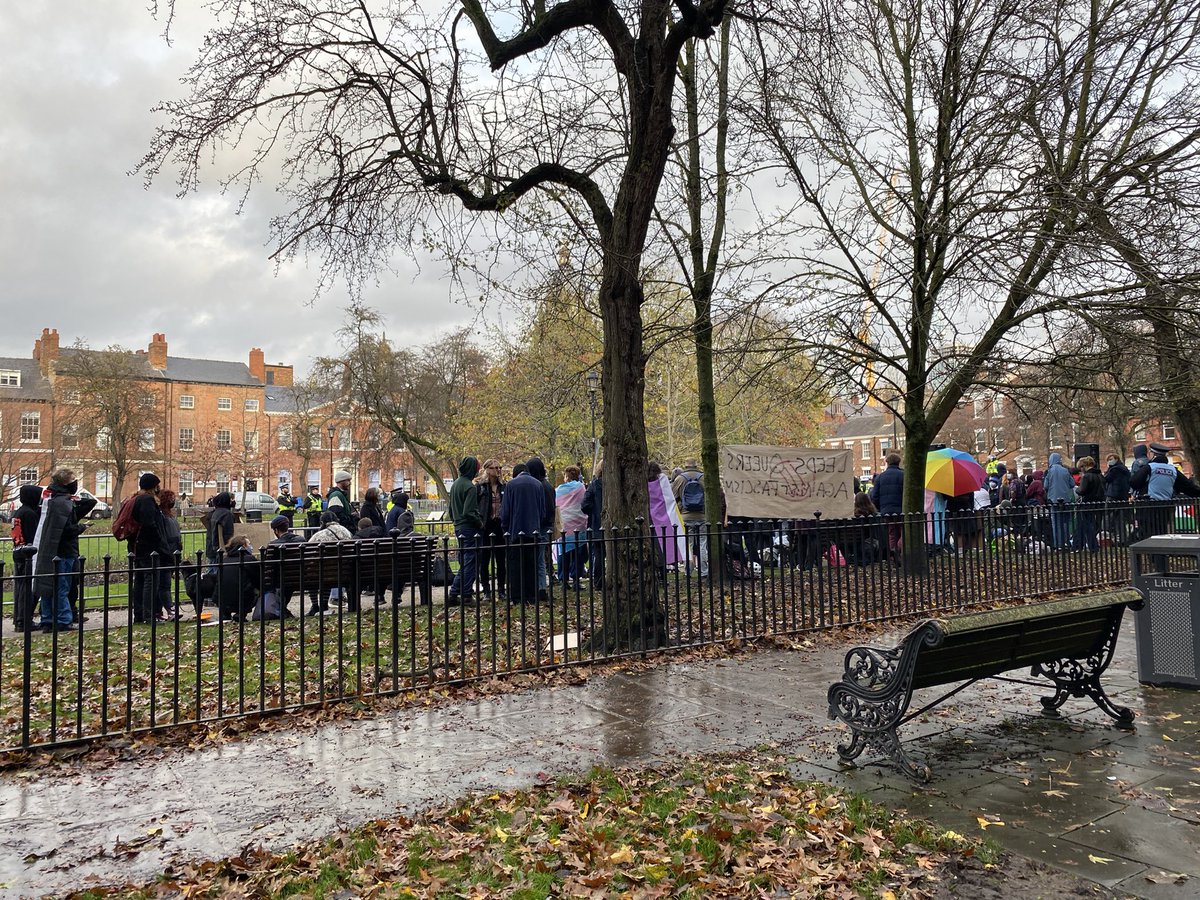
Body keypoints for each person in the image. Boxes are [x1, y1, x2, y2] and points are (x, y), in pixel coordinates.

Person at [32, 468, 95, 632]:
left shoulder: (50, 499)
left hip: (47, 550)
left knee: (47, 585)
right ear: (67, 483)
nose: (76, 483)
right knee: (61, 586)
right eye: (73, 480)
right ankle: (63, 619)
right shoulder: (63, 503)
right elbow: (66, 530)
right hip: (65, 551)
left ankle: (47, 619)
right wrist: (82, 527)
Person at [1131, 442, 1200, 543]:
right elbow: (1189, 488)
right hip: (1165, 508)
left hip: (1147, 507)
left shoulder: (1149, 467)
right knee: (1161, 536)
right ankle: (1161, 557)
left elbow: (1134, 482)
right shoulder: (1173, 470)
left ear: (1153, 454)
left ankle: (1149, 557)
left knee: (1148, 538)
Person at [500, 460, 548, 604]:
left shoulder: (511, 485)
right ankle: (532, 595)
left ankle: (517, 596)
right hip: (533, 531)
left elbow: (506, 511)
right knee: (531, 564)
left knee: (516, 566)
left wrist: (505, 527)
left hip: (516, 531)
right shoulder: (538, 484)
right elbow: (542, 511)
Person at [130, 473, 168, 624]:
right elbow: (149, 524)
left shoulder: (136, 498)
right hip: (148, 548)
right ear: (153, 486)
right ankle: (148, 615)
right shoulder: (147, 500)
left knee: (140, 581)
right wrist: (158, 540)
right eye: (157, 484)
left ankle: (139, 614)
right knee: (149, 582)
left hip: (138, 546)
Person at [257, 514, 304, 619]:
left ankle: (280, 608)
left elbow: (268, 566)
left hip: (280, 580)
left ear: (276, 531)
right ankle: (283, 608)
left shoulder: (274, 545)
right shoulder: (301, 540)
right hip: (301, 577)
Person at [306, 511, 352, 614]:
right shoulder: (346, 532)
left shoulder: (319, 535)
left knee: (312, 574)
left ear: (322, 522)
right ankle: (323, 604)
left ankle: (315, 605)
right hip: (345, 572)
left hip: (324, 573)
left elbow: (308, 551)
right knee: (327, 573)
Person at [11, 484, 43, 632]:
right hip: (27, 554)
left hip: (18, 551)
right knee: (27, 589)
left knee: (20, 588)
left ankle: (19, 618)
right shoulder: (29, 514)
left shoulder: (19, 512)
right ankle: (24, 620)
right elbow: (33, 535)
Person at [525, 458, 556, 602]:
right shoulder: (548, 486)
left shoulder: (538, 486)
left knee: (538, 560)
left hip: (540, 526)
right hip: (547, 526)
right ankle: (541, 587)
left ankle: (540, 588)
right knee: (541, 559)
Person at [671, 459, 708, 579]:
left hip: (685, 517)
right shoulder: (704, 477)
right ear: (696, 465)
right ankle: (704, 571)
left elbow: (673, 497)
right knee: (703, 544)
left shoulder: (680, 479)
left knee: (688, 544)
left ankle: (688, 571)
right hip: (702, 516)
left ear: (685, 466)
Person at [475, 460, 506, 599]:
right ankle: (486, 590)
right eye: (495, 468)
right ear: (487, 470)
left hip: (499, 525)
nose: (498, 470)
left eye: (499, 467)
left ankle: (501, 589)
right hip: (485, 525)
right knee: (484, 559)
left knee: (501, 559)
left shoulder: (503, 486)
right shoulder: (480, 487)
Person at [555, 465, 588, 589]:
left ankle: (563, 580)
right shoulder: (580, 487)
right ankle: (575, 580)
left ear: (566, 476)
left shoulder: (558, 490)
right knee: (577, 553)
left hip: (564, 524)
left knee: (563, 552)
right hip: (578, 523)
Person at [868, 452, 904, 555]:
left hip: (886, 510)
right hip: (901, 509)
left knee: (892, 532)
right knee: (904, 532)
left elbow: (875, 496)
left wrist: (880, 508)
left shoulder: (880, 477)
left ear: (887, 462)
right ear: (898, 462)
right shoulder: (903, 475)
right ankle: (899, 550)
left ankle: (893, 553)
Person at [215, 535, 258, 621]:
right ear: (243, 547)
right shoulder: (249, 559)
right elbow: (257, 579)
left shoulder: (225, 560)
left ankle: (225, 613)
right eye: (249, 544)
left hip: (221, 599)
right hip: (242, 598)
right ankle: (241, 612)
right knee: (257, 590)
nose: (251, 547)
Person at [157, 490, 184, 619]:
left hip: (173, 553)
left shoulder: (170, 515)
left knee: (164, 583)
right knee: (164, 584)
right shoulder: (161, 515)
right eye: (172, 498)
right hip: (166, 553)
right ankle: (169, 609)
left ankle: (160, 610)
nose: (174, 501)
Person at [1043, 453, 1076, 549]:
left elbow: (1045, 486)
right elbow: (1072, 484)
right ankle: (1066, 542)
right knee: (1065, 522)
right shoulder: (1065, 470)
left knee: (1055, 522)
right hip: (1066, 500)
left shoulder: (1049, 471)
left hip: (1054, 500)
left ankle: (1058, 544)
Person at [580, 461, 604, 587]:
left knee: (599, 554)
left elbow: (584, 505)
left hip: (597, 525)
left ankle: (598, 582)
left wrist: (593, 512)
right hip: (611, 525)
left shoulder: (595, 484)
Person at [1073, 457, 1104, 552]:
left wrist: (1077, 489)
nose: (1080, 470)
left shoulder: (1086, 477)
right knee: (1091, 525)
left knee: (1086, 525)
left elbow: (1082, 490)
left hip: (1087, 503)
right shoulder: (1100, 475)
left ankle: (1091, 546)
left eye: (1081, 467)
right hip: (1098, 502)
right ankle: (1079, 545)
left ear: (1084, 466)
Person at [1103, 453, 1132, 544]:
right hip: (1123, 496)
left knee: (1107, 515)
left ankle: (1108, 535)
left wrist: (1107, 471)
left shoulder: (1114, 469)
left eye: (1110, 459)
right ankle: (1122, 539)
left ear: (1116, 459)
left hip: (1113, 495)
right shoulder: (1125, 469)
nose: (1109, 461)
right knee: (1120, 518)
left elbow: (1106, 479)